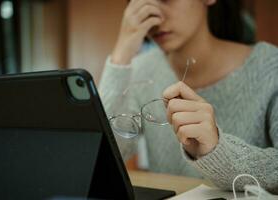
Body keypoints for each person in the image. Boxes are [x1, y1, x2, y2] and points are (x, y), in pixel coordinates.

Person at [99, 0, 278, 193]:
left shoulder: (269, 67)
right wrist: (121, 53)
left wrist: (217, 151)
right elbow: (103, 157)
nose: (155, 18)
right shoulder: (140, 71)